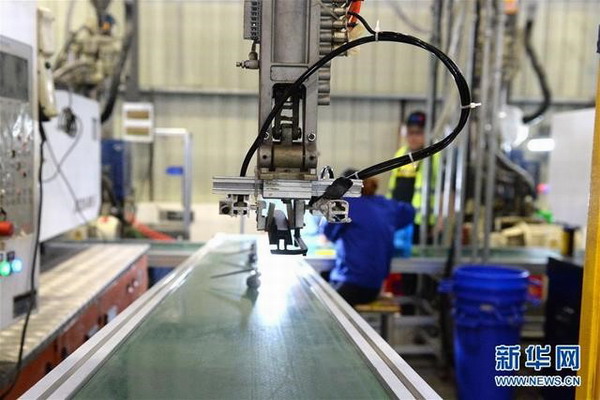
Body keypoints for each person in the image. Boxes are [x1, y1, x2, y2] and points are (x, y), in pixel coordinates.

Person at [321, 170, 415, 306]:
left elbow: (328, 234)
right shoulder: (387, 205)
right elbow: (410, 212)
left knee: (321, 303)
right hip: (375, 287)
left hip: (351, 283)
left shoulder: (347, 205)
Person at [387, 111, 439, 244]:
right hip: (398, 219)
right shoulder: (401, 153)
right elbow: (392, 187)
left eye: (418, 133)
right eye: (410, 133)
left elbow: (445, 191)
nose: (413, 137)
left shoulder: (435, 156)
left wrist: (439, 222)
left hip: (422, 223)